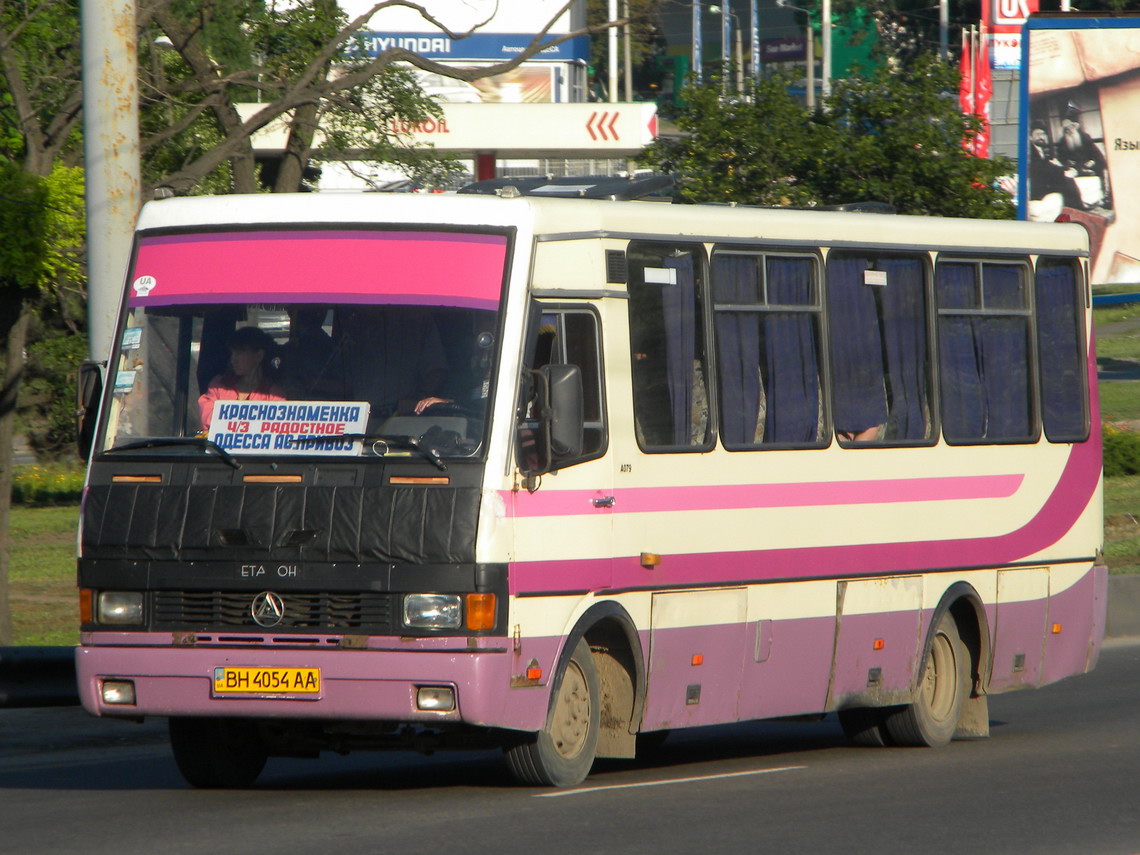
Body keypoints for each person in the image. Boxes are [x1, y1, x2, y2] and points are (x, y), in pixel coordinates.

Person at [198, 326, 285, 428]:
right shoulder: (218, 385)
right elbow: (207, 421)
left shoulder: (274, 394)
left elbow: (276, 427)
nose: (233, 359)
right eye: (232, 353)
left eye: (239, 353)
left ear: (259, 356)